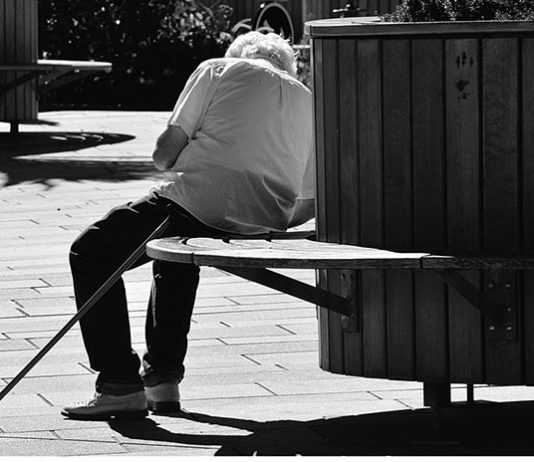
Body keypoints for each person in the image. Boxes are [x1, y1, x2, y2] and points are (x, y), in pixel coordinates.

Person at [62, 31, 315, 420]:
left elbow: (163, 155)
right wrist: (261, 211)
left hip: (197, 203)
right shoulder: (307, 100)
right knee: (174, 256)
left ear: (237, 54)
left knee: (91, 251)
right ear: (287, 67)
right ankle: (162, 382)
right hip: (264, 219)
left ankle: (118, 383)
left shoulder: (217, 69)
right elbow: (307, 203)